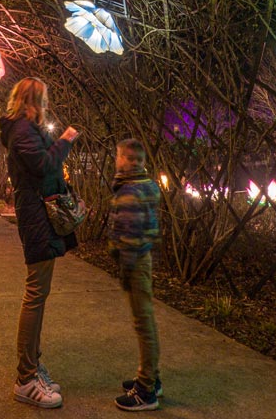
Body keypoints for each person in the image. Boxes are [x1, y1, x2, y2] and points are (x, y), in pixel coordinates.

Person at [0, 76, 79, 409]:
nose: (46, 106)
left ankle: (32, 366)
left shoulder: (25, 130)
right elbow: (45, 165)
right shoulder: (21, 131)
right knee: (35, 295)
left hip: (38, 216)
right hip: (37, 219)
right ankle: (26, 378)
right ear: (32, 101)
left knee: (39, 295)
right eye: (43, 100)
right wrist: (65, 140)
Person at [108, 138, 161, 412]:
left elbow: (128, 234)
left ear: (128, 161)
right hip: (146, 257)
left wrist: (124, 267)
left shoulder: (129, 191)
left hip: (135, 261)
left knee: (143, 323)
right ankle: (151, 375)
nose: (116, 160)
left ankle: (145, 389)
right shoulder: (148, 185)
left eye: (118, 156)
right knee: (146, 320)